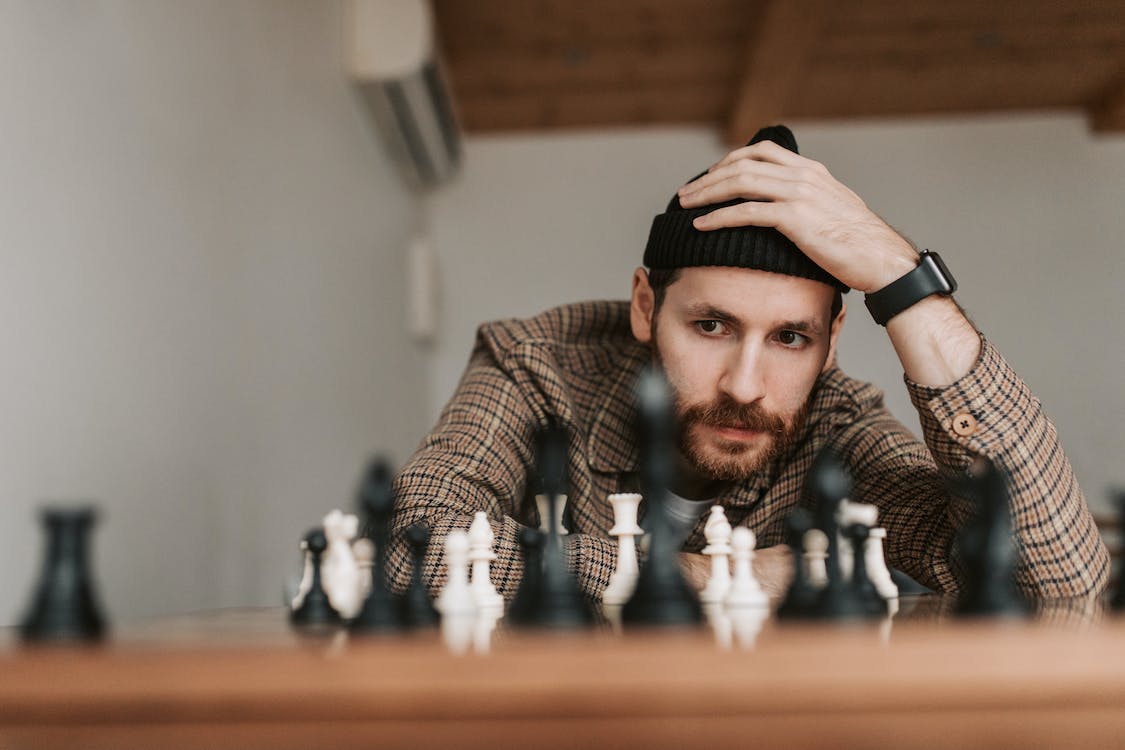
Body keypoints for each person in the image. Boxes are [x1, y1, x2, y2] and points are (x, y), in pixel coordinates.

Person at [387, 125, 1109, 602]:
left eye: (791, 338)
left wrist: (902, 279)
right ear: (645, 306)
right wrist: (702, 577)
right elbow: (408, 544)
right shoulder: (537, 363)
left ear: (831, 340)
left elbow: (1059, 583)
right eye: (710, 325)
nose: (743, 385)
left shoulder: (837, 423)